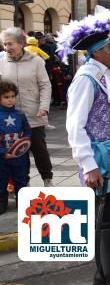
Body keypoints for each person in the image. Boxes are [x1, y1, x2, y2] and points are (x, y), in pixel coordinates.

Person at [60, 7, 110, 285]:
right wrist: (89, 166)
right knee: (104, 217)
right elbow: (75, 126)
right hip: (101, 163)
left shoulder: (105, 73)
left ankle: (106, 275)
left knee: (109, 216)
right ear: (96, 51)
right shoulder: (86, 79)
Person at [0, 27, 53, 187]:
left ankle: (47, 179)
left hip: (34, 113)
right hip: (10, 117)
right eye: (4, 44)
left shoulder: (36, 60)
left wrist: (44, 107)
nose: (7, 47)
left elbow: (45, 85)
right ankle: (23, 182)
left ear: (21, 43)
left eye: (10, 44)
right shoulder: (1, 61)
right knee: (17, 153)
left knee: (39, 149)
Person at [0, 81, 31, 214]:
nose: (10, 99)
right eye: (6, 97)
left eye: (13, 96)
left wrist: (25, 143)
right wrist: (2, 153)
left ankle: (23, 202)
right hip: (2, 158)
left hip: (19, 157)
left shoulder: (20, 115)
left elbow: (28, 131)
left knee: (21, 179)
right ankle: (2, 202)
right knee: (1, 181)